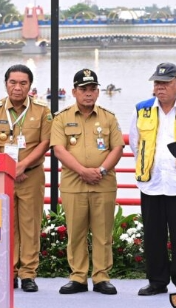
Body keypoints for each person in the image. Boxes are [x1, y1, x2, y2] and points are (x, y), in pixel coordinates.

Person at [0, 64, 53, 293]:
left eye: (23, 83)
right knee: (4, 223)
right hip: (2, 176)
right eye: (13, 82)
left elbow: (45, 142)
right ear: (6, 84)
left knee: (30, 226)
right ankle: (8, 271)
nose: (17, 88)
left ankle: (28, 274)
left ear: (30, 86)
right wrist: (8, 166)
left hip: (31, 175)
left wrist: (21, 166)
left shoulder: (42, 110)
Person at [50, 68, 124, 295]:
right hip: (74, 183)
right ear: (74, 91)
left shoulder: (108, 117)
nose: (88, 94)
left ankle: (101, 277)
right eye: (83, 89)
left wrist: (100, 170)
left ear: (98, 92)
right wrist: (83, 171)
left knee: (103, 233)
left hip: (103, 183)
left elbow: (118, 148)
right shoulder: (62, 118)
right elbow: (59, 150)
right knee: (76, 232)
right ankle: (78, 277)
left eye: (93, 89)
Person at [128, 63, 176, 296]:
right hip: (152, 183)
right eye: (157, 83)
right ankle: (157, 281)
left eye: (165, 83)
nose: (160, 87)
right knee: (153, 236)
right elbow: (135, 144)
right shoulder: (142, 109)